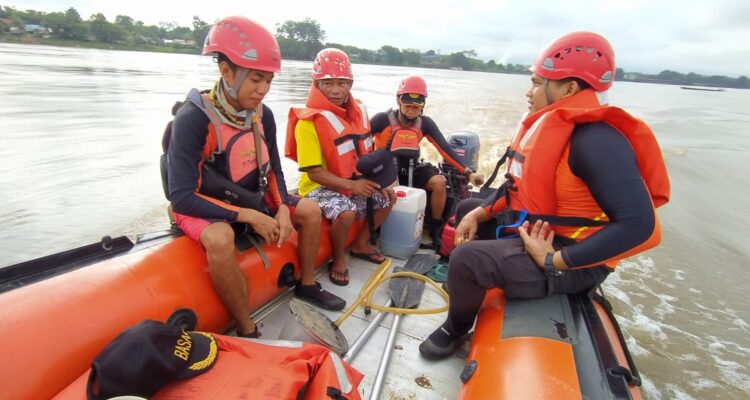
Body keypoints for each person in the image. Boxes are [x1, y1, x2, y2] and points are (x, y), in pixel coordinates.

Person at [419, 31, 671, 359]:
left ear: (568, 88)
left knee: (467, 260)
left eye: (538, 83)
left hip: (573, 255)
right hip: (542, 231)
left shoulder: (596, 142)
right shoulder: (554, 128)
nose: (529, 92)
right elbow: (518, 188)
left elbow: (642, 226)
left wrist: (554, 260)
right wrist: (477, 214)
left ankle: (456, 327)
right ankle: (474, 285)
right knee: (468, 204)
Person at [165, 17, 345, 340]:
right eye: (256, 80)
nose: (263, 90)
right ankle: (246, 326)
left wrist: (278, 208)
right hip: (201, 203)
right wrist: (247, 215)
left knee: (310, 211)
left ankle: (306, 283)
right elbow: (180, 195)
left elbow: (274, 167)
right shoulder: (193, 119)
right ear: (226, 72)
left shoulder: (264, 114)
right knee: (220, 239)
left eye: (269, 81)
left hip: (249, 195)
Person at [286, 48, 394, 287]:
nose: (336, 90)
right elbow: (314, 172)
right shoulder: (308, 123)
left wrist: (377, 185)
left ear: (350, 84)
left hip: (351, 181)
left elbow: (365, 156)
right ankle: (337, 259)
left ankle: (360, 244)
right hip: (317, 187)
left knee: (389, 198)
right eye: (328, 83)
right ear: (317, 84)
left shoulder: (356, 114)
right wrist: (353, 187)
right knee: (346, 212)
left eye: (342, 83)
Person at [370, 76, 484, 243]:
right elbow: (359, 143)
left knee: (438, 182)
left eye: (416, 107)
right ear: (398, 100)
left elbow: (445, 149)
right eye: (408, 105)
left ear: (422, 105)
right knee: (388, 191)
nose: (411, 110)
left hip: (411, 168)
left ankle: (435, 226)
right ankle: (374, 230)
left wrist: (469, 172)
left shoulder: (425, 124)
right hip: (384, 171)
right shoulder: (381, 120)